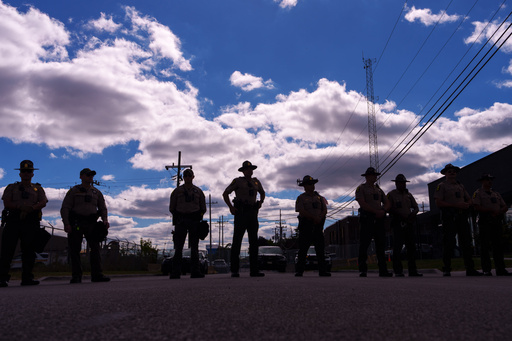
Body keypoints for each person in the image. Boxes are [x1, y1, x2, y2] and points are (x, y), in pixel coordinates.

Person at [0, 160, 48, 287]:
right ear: (20, 174)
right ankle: (2, 278)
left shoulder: (38, 188)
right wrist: (20, 207)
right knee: (7, 249)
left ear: (32, 174)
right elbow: (7, 202)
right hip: (14, 219)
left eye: (29, 171)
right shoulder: (11, 187)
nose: (26, 173)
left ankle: (27, 277)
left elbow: (43, 202)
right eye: (24, 171)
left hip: (31, 220)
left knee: (29, 250)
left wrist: (31, 208)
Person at [61, 168, 110, 283]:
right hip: (77, 223)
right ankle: (76, 276)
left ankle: (97, 275)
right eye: (88, 175)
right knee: (75, 249)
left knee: (95, 249)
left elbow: (103, 208)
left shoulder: (96, 192)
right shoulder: (74, 191)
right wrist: (66, 223)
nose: (90, 177)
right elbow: (65, 207)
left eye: (92, 175)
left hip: (92, 223)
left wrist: (105, 220)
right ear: (81, 176)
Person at [434, 164, 481, 277]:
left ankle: (470, 268)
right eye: (449, 171)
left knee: (466, 242)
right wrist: (455, 205)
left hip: (461, 217)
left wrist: (466, 204)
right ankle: (447, 268)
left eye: (454, 171)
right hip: (449, 217)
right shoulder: (442, 186)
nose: (452, 173)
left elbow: (469, 199)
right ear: (445, 173)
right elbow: (438, 202)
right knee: (449, 243)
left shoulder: (460, 186)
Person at [223, 161, 265, 277]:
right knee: (237, 242)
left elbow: (262, 192)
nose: (249, 171)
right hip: (241, 213)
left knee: (254, 242)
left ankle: (254, 270)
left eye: (251, 169)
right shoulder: (238, 181)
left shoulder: (256, 181)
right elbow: (225, 193)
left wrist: (261, 202)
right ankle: (235, 270)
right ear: (243, 171)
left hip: (252, 213)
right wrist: (231, 207)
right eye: (247, 169)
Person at [169, 169, 207, 279]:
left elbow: (203, 207)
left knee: (194, 247)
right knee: (178, 247)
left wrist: (198, 216)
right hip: (181, 220)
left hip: (194, 220)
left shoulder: (198, 191)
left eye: (189, 175)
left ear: (193, 177)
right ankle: (176, 272)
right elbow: (172, 207)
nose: (188, 177)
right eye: (185, 175)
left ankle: (195, 271)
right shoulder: (177, 191)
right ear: (183, 177)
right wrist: (178, 216)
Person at [355, 167, 392, 277]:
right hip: (367, 218)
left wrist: (383, 210)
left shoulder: (379, 190)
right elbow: (362, 203)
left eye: (375, 175)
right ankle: (362, 269)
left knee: (381, 245)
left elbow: (387, 202)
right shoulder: (361, 188)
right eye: (373, 175)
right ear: (367, 176)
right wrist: (376, 211)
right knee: (364, 244)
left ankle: (383, 270)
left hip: (379, 218)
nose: (375, 177)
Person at [472, 173, 511, 276]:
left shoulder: (496, 194)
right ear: (482, 182)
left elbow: (505, 206)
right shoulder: (478, 193)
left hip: (496, 221)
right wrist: (490, 211)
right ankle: (486, 269)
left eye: (490, 180)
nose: (489, 182)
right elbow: (476, 206)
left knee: (498, 245)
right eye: (487, 180)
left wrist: (499, 211)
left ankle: (501, 269)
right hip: (485, 221)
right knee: (485, 246)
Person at [387, 174, 422, 277]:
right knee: (397, 247)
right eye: (400, 183)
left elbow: (416, 207)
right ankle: (398, 270)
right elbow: (388, 207)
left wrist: (413, 214)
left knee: (411, 247)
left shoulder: (408, 195)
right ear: (396, 184)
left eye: (404, 183)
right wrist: (400, 214)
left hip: (409, 223)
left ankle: (413, 270)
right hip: (398, 223)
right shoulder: (391, 194)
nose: (403, 185)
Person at [295, 175, 330, 277]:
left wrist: (319, 218)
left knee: (320, 249)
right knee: (303, 249)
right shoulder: (301, 198)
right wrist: (313, 217)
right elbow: (301, 211)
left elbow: (324, 210)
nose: (312, 186)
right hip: (306, 225)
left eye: (313, 184)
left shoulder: (320, 198)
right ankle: (299, 270)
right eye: (309, 184)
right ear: (304, 186)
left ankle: (323, 271)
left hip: (318, 225)